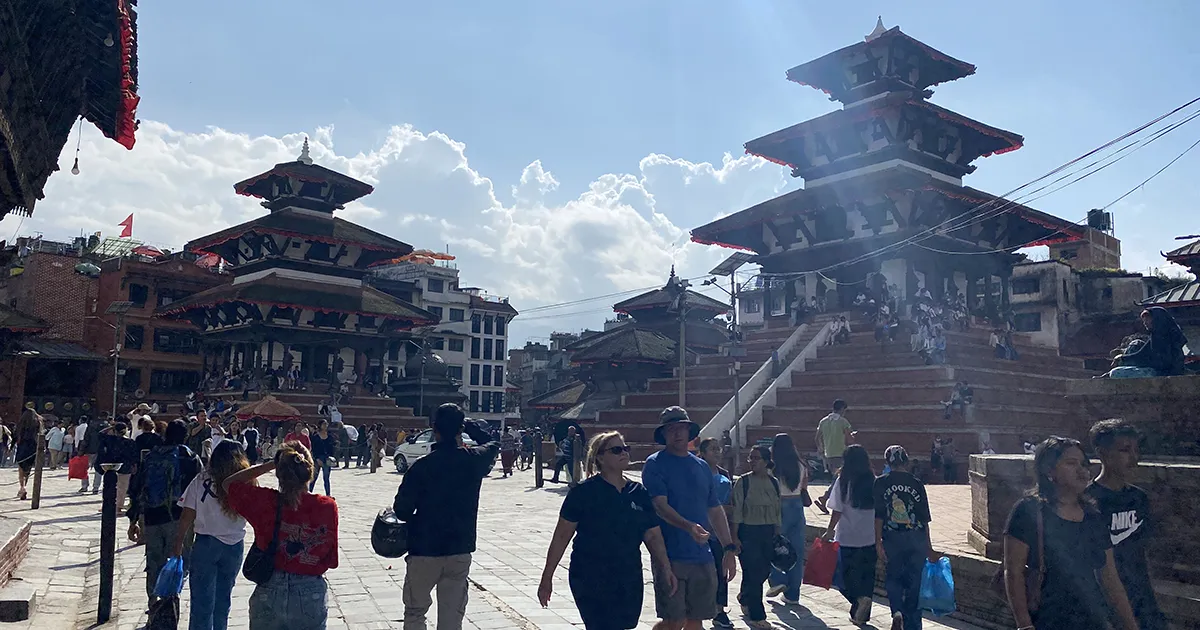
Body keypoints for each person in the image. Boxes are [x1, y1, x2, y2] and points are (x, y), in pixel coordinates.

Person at [538, 431, 676, 630]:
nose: (624, 453)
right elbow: (561, 536)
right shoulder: (583, 492)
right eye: (616, 450)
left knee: (624, 625)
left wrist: (666, 568)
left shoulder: (638, 492)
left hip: (628, 574)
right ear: (600, 458)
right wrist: (547, 577)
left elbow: (653, 535)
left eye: (625, 448)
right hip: (590, 574)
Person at [1003, 436, 1140, 630]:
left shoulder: (1093, 516)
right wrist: (1024, 625)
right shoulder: (1028, 511)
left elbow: (1109, 576)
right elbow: (1013, 572)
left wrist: (1130, 625)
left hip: (1091, 618)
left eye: (1083, 464)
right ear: (1049, 470)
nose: (1081, 471)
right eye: (1071, 463)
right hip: (1046, 619)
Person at [393, 404, 500, 630]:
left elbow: (402, 510)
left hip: (424, 548)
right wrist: (471, 427)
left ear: (434, 428)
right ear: (461, 429)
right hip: (459, 548)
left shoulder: (421, 466)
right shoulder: (473, 460)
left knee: (415, 612)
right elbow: (493, 443)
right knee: (451, 618)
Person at [640, 406, 737, 630]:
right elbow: (659, 505)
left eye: (681, 428)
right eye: (671, 429)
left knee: (696, 621)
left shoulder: (702, 467)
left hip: (702, 555)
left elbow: (715, 509)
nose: (677, 433)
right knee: (674, 621)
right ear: (664, 434)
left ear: (689, 432)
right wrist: (688, 526)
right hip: (670, 555)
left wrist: (729, 548)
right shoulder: (655, 464)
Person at [224, 441, 338, 630]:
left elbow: (229, 484)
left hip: (270, 587)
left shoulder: (266, 501)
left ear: (279, 474)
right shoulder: (326, 506)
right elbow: (331, 560)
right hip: (309, 591)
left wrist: (272, 463)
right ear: (310, 471)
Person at [1086, 420, 1167, 630]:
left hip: (1141, 598)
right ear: (1103, 453)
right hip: (1102, 603)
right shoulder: (1086, 501)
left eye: (1135, 450)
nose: (1134, 457)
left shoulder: (1139, 498)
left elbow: (1142, 552)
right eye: (1124, 450)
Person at [174, 440, 250, 630]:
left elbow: (187, 515)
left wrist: (178, 544)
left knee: (201, 602)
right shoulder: (246, 482)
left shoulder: (201, 480)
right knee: (223, 600)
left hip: (206, 544)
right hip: (234, 544)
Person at [128, 420, 203, 607]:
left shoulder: (152, 455)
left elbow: (137, 488)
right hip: (179, 517)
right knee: (179, 560)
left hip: (152, 516)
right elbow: (199, 489)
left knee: (154, 562)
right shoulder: (189, 457)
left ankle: (153, 603)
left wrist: (133, 519)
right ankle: (170, 602)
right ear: (185, 435)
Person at [874, 445, 937, 630]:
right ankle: (913, 623)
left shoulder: (881, 482)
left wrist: (878, 541)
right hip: (916, 537)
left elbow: (878, 515)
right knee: (915, 581)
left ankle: (897, 612)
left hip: (892, 537)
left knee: (893, 577)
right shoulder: (916, 483)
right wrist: (929, 547)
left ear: (888, 462)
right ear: (906, 461)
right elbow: (924, 518)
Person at [821, 445, 878, 625]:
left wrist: (830, 530)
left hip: (848, 537)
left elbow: (837, 510)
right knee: (867, 577)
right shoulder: (873, 480)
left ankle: (857, 600)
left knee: (844, 577)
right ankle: (861, 615)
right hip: (869, 537)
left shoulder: (843, 481)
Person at [730, 446, 782, 629]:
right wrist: (734, 536)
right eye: (750, 458)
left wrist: (777, 532)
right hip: (748, 531)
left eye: (756, 458)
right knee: (752, 572)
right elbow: (737, 511)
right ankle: (757, 615)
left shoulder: (774, 482)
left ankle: (745, 596)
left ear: (766, 461)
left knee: (763, 571)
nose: (752, 461)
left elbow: (777, 509)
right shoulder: (743, 482)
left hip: (767, 532)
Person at [765, 433, 808, 606]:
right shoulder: (801, 465)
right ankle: (793, 594)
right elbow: (804, 487)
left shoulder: (772, 467)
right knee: (796, 550)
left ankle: (777, 579)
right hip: (796, 505)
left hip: (778, 505)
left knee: (774, 544)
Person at [697, 437, 734, 629]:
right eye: (712, 449)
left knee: (721, 571)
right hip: (700, 529)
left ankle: (719, 610)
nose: (717, 452)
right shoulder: (696, 473)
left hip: (720, 530)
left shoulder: (724, 473)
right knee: (701, 572)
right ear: (702, 453)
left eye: (718, 449)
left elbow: (730, 500)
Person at [1107, 307, 1189, 378]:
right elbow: (1140, 354)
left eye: (1147, 319)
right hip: (1156, 370)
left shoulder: (1166, 338)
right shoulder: (1155, 336)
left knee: (1116, 373)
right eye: (1144, 321)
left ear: (1157, 319)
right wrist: (1122, 358)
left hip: (1163, 373)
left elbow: (1162, 363)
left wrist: (1142, 362)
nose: (1145, 323)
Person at [814, 399, 853, 513]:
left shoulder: (823, 421)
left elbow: (817, 438)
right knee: (839, 479)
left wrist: (821, 448)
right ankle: (825, 498)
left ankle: (826, 498)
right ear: (842, 409)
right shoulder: (843, 422)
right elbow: (849, 439)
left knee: (837, 478)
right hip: (841, 454)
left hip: (829, 454)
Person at [13, 409, 42, 501]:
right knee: (27, 470)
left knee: (21, 469)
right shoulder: (38, 424)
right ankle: (24, 486)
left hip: (22, 447)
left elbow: (15, 435)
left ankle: (22, 487)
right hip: (32, 449)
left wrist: (11, 446)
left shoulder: (21, 424)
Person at [79, 414, 108, 494]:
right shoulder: (107, 427)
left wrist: (81, 451)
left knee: (84, 469)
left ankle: (84, 486)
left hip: (89, 450)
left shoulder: (91, 426)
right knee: (98, 470)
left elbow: (86, 439)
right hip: (101, 451)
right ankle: (96, 487)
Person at [309, 419, 337, 496]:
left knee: (326, 478)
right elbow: (313, 449)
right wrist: (317, 458)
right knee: (314, 477)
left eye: (326, 424)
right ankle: (309, 493)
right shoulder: (315, 437)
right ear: (320, 425)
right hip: (318, 458)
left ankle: (328, 495)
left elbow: (332, 448)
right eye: (324, 424)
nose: (325, 426)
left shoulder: (330, 436)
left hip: (327, 458)